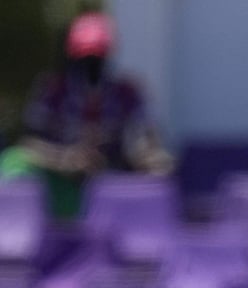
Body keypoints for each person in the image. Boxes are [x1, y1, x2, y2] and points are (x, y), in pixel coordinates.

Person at [0, 10, 172, 219]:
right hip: (62, 183)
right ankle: (14, 228)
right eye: (85, 56)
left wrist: (148, 159)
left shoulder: (127, 93)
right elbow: (28, 143)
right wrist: (66, 159)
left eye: (97, 56)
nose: (91, 65)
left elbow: (147, 144)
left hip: (114, 187)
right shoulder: (52, 91)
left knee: (158, 177)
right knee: (14, 162)